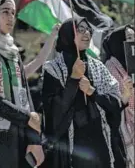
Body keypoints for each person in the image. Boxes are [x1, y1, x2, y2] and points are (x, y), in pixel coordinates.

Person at [0, 0, 59, 168]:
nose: (11, 18)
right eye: (5, 12)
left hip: (18, 137)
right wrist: (25, 118)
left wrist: (34, 139)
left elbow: (25, 96)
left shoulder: (12, 52)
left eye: (13, 13)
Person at [39, 17, 126, 168]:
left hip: (100, 143)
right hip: (71, 148)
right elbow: (53, 112)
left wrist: (92, 92)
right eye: (81, 29)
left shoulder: (98, 66)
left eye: (88, 30)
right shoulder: (52, 69)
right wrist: (73, 80)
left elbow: (115, 100)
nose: (87, 33)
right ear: (67, 34)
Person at [103, 25, 134, 168]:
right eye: (128, 38)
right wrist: (126, 95)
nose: (132, 41)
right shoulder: (109, 69)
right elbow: (111, 104)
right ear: (118, 41)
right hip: (121, 131)